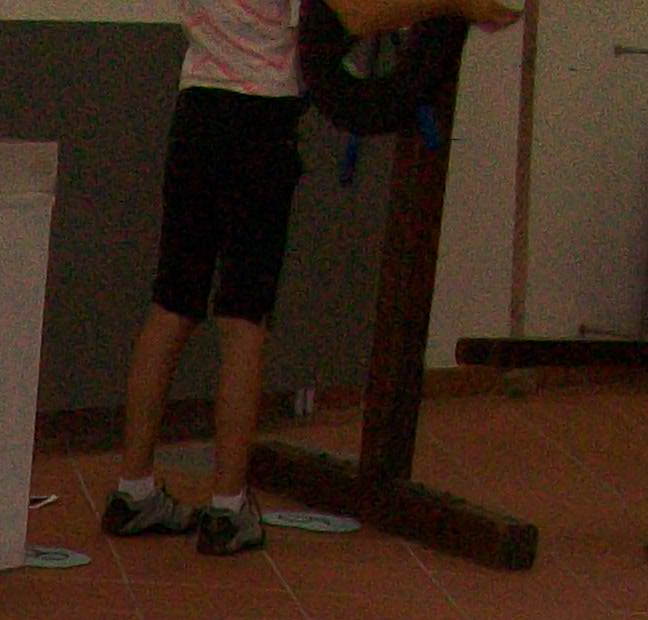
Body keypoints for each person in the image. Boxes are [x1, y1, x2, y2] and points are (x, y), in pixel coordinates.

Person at [102, 0, 517, 556]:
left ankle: (133, 490)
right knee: (244, 318)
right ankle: (227, 507)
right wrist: (456, 4)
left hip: (197, 107)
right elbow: (357, 16)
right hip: (259, 120)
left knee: (172, 303)